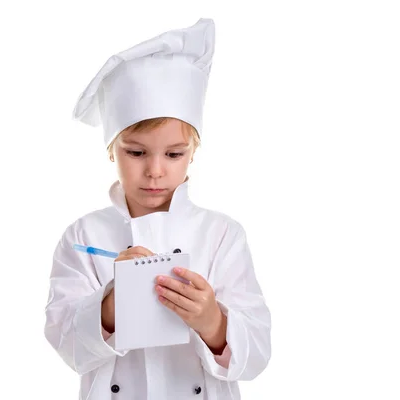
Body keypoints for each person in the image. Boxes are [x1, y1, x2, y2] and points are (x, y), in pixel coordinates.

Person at [44, 18, 271, 400]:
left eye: (174, 153)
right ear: (111, 149)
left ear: (193, 152)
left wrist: (212, 322)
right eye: (135, 152)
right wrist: (111, 305)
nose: (154, 170)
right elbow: (65, 343)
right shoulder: (83, 237)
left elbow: (258, 352)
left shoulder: (222, 235)